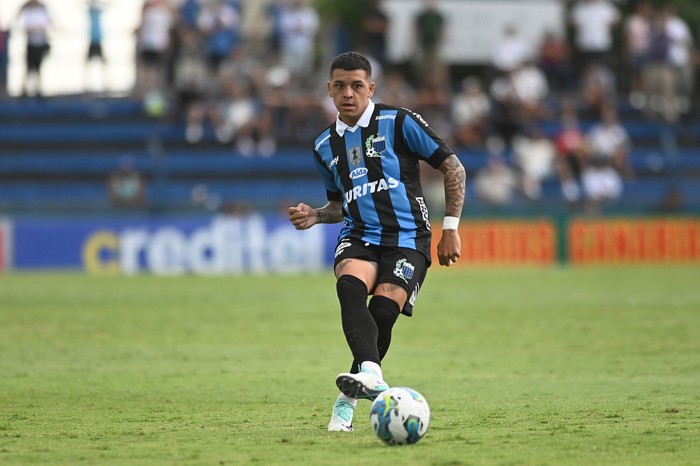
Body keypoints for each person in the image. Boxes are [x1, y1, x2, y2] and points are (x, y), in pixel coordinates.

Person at [288, 52, 465, 432]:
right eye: (340, 86)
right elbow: (339, 203)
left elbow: (452, 166)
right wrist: (316, 215)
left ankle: (346, 402)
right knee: (350, 287)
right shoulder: (324, 146)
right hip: (360, 235)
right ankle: (372, 373)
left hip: (408, 237)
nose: (348, 93)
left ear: (371, 88)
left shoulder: (398, 121)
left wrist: (451, 227)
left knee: (383, 312)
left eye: (356, 85)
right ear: (329, 90)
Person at [16, 0, 51, 97]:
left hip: (39, 43)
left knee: (38, 67)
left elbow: (45, 24)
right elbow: (23, 25)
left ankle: (38, 88)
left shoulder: (42, 10)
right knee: (28, 67)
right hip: (30, 44)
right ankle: (24, 89)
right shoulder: (27, 10)